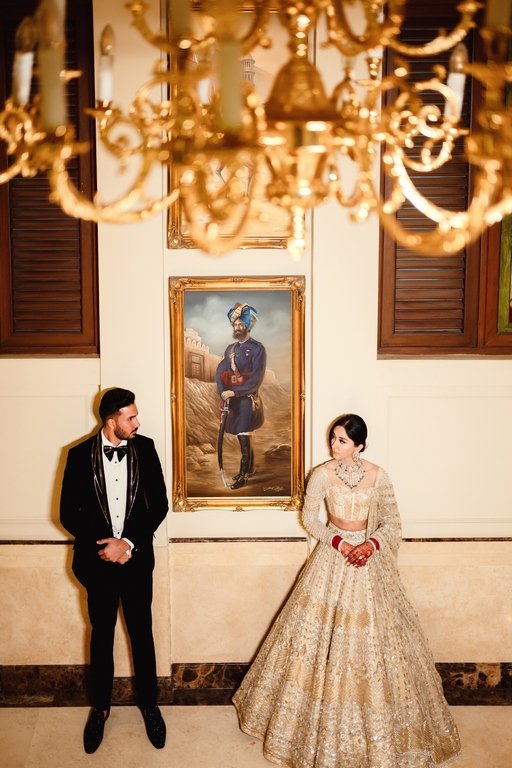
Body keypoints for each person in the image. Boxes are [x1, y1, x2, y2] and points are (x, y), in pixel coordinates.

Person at [233, 413, 461, 768]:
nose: (334, 445)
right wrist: (340, 543)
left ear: (359, 445)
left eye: (342, 440)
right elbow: (310, 519)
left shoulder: (378, 475)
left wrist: (370, 545)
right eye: (333, 438)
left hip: (369, 560)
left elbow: (392, 522)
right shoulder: (321, 474)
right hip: (333, 555)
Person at [60, 387, 169, 754]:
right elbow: (67, 513)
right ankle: (100, 709)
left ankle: (150, 706)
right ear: (111, 421)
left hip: (136, 562)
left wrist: (128, 544)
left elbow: (159, 505)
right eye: (130, 417)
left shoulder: (146, 449)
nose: (137, 422)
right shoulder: (78, 455)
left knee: (142, 634)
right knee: (101, 635)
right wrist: (107, 546)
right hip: (98, 564)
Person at [215, 302, 266, 489]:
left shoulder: (258, 349)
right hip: (233, 400)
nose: (237, 327)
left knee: (244, 434)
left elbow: (256, 378)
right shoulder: (230, 349)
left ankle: (244, 474)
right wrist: (222, 391)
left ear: (247, 326)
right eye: (234, 324)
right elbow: (220, 371)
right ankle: (249, 468)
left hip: (247, 399)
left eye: (240, 324)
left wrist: (235, 392)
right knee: (240, 434)